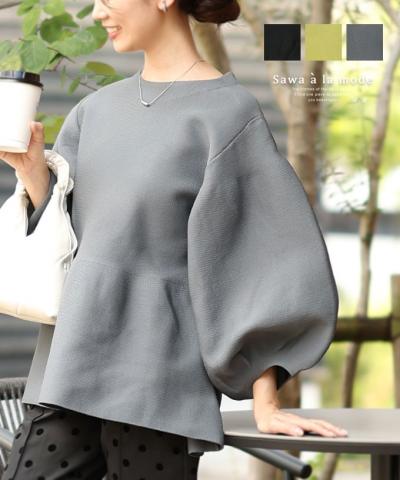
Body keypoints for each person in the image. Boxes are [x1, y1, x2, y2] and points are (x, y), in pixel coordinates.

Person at [0, 0, 348, 478]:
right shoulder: (93, 112)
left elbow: (263, 264)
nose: (98, 13)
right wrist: (34, 177)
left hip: (158, 388)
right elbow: (68, 245)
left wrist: (266, 399)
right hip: (67, 369)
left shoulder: (227, 116)